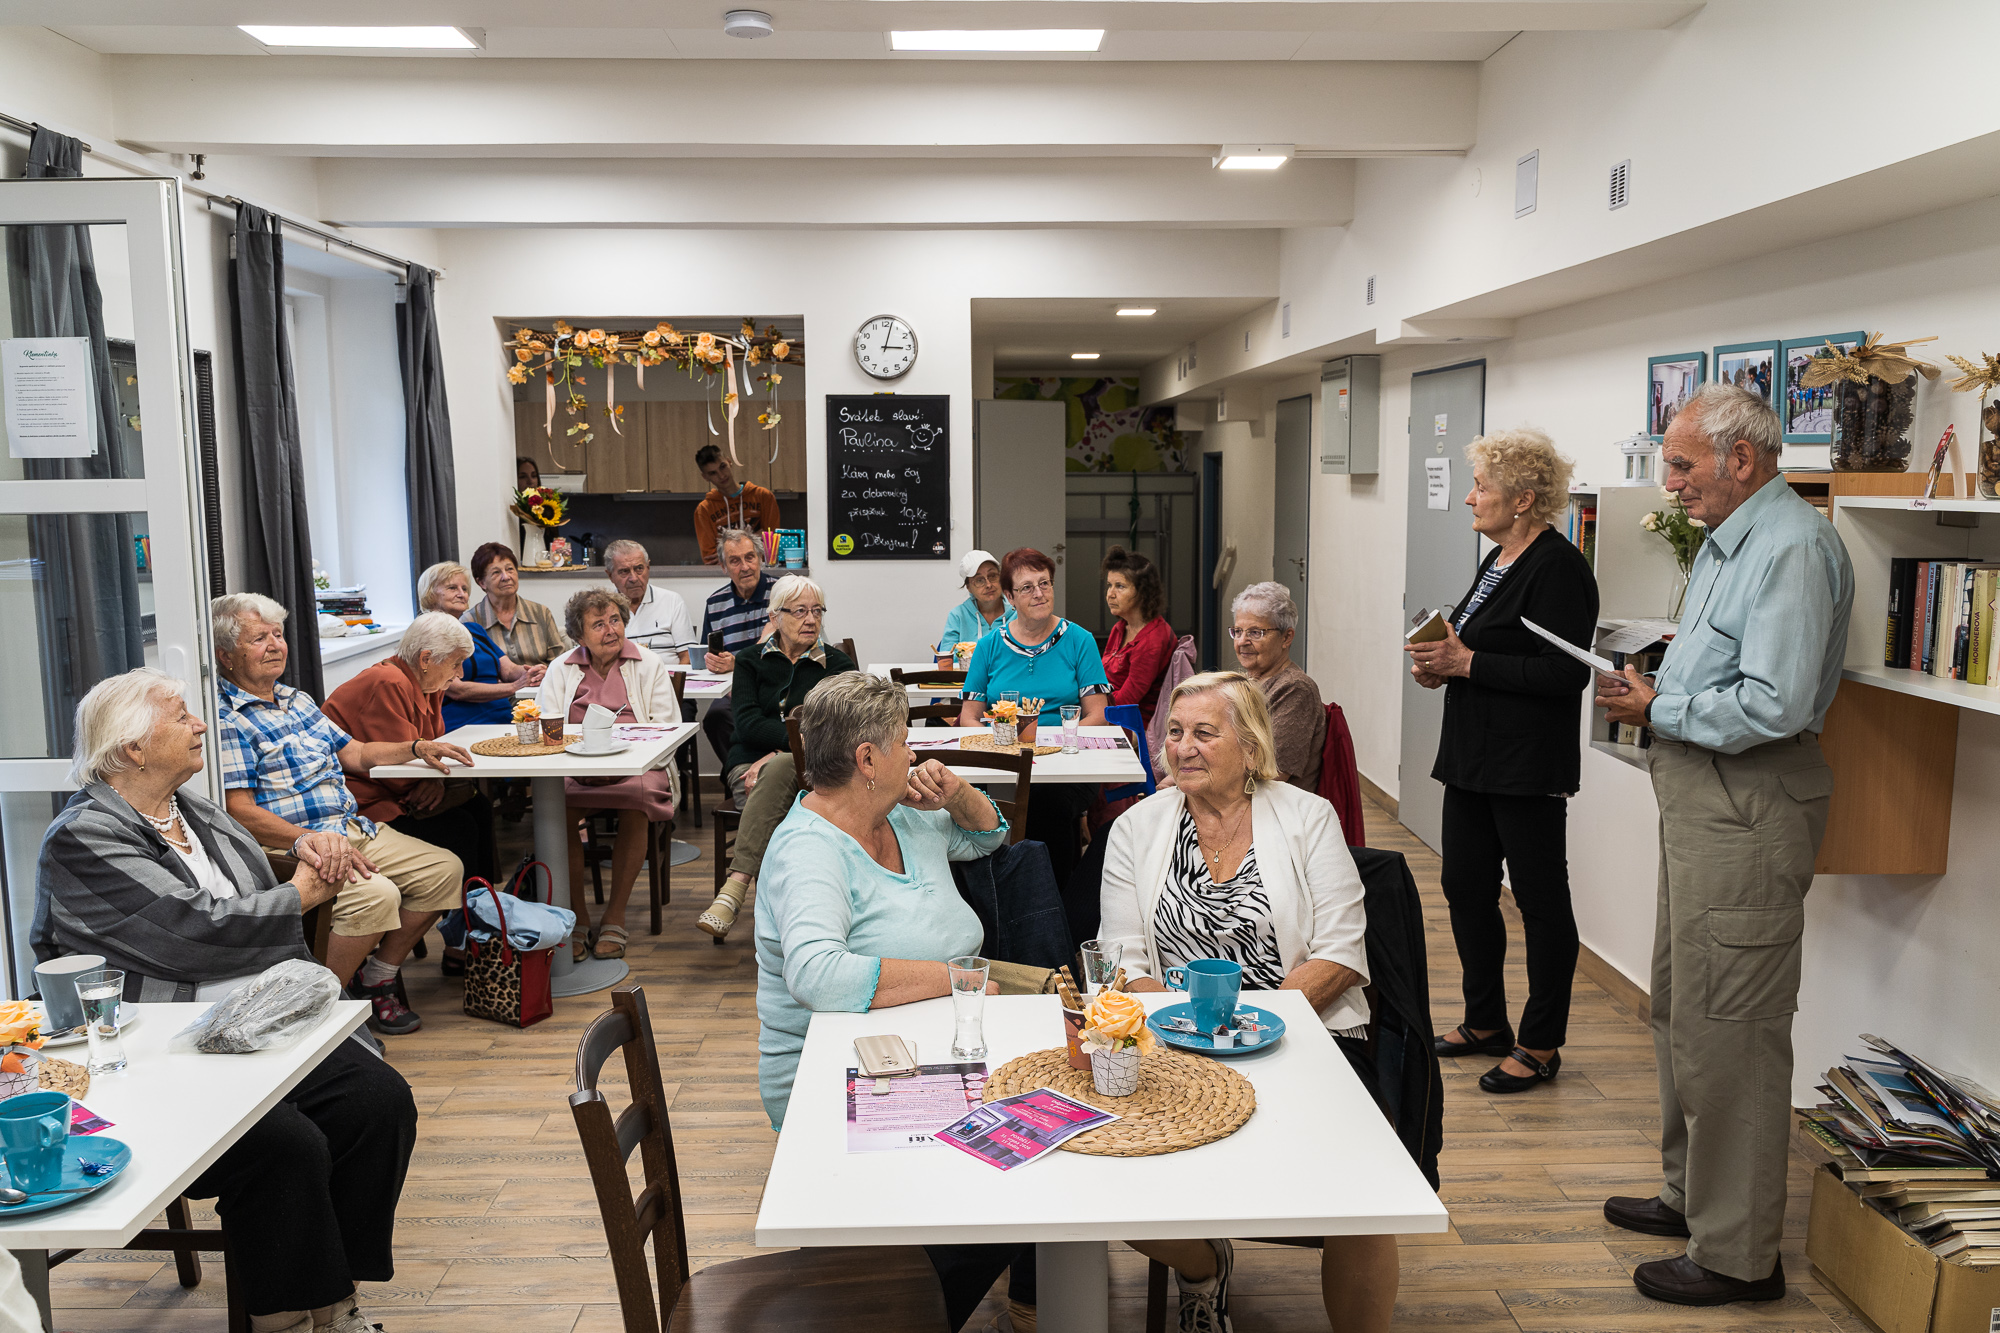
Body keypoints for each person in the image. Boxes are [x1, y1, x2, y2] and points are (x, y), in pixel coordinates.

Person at [36, 669, 417, 1333]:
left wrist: (307, 843)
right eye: (182, 716)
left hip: (254, 1025)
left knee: (377, 1102)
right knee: (285, 1146)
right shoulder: (81, 838)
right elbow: (193, 932)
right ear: (133, 749)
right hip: (152, 1054)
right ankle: (283, 1316)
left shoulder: (194, 809)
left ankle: (334, 1294)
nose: (201, 725)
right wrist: (301, 894)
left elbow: (246, 881)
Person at [1594, 383, 1851, 1306]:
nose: (1671, 484)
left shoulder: (1788, 547)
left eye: (1682, 465)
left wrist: (1660, 705)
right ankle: (1690, 1196)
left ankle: (1741, 1255)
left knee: (1731, 1029)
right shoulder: (1729, 541)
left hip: (1746, 806)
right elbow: (1727, 665)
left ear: (1741, 460)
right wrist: (1659, 681)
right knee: (1683, 1009)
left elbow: (1776, 702)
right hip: (1704, 797)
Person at [1098, 671, 1395, 1333]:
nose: (1183, 747)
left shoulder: (1307, 817)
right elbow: (1124, 962)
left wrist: (1253, 1028)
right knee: (1108, 1182)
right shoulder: (1137, 829)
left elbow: (1341, 954)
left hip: (1306, 1040)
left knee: (1365, 1198)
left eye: (1205, 732)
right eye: (1174, 732)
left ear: (1252, 749)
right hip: (1171, 1047)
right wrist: (1189, 1035)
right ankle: (1203, 1267)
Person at [752, 673, 1015, 1332]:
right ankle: (893, 1304)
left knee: (1032, 1139)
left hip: (930, 1044)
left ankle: (1005, 1285)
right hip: (834, 1078)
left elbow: (990, 836)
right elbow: (819, 976)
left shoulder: (901, 813)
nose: (914, 754)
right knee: (1020, 1164)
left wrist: (956, 792)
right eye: (904, 741)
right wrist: (959, 977)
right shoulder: (809, 849)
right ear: (868, 759)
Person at [1405, 427, 1598, 1097]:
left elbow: (1564, 674)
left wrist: (1469, 662)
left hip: (1526, 766)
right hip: (1472, 758)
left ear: (1522, 498)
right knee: (1464, 888)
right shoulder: (1499, 561)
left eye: (1480, 486)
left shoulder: (1559, 568)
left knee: (1542, 904)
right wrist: (1446, 666)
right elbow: (1477, 649)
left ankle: (1540, 1040)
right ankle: (1485, 1020)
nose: (1468, 498)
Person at [211, 593, 471, 1036]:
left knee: (444, 869)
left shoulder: (296, 700)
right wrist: (303, 840)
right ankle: (313, 1013)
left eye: (278, 634)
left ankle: (376, 978)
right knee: (377, 896)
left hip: (350, 827)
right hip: (293, 841)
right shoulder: (226, 717)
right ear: (226, 656)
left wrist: (415, 749)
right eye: (259, 638)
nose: (275, 644)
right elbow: (238, 809)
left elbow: (355, 753)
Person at [323, 614, 497, 982]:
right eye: (455, 664)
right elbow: (398, 768)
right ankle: (462, 939)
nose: (460, 675)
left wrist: (437, 781)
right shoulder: (387, 682)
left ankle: (472, 932)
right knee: (460, 827)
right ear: (426, 659)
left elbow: (424, 751)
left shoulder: (423, 685)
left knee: (477, 809)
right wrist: (436, 781)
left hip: (395, 793)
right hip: (367, 803)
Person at [957, 547, 1110, 928]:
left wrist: (1051, 740)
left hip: (1067, 766)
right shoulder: (990, 645)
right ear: (1008, 598)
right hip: (1005, 762)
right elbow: (968, 718)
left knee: (1047, 804)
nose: (1039, 593)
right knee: (960, 803)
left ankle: (1051, 916)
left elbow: (1098, 714)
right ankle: (983, 911)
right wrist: (1004, 741)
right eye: (1027, 588)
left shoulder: (1078, 640)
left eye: (1045, 584)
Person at [539, 588, 682, 961]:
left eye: (615, 620)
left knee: (637, 803)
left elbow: (667, 727)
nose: (610, 630)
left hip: (638, 765)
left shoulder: (648, 664)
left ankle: (616, 914)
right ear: (579, 636)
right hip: (574, 766)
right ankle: (580, 918)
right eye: (598, 624)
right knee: (557, 810)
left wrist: (623, 750)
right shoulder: (562, 668)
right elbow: (547, 727)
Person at [725, 574, 856, 805]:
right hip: (751, 760)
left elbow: (835, 729)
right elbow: (747, 724)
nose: (811, 620)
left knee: (821, 803)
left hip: (816, 763)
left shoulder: (838, 665)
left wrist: (779, 755)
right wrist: (795, 741)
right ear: (775, 618)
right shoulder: (749, 661)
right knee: (765, 798)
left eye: (817, 611)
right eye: (800, 611)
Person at [417, 561, 545, 729]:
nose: (462, 594)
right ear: (430, 594)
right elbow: (457, 690)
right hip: (464, 725)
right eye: (452, 588)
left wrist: (534, 672)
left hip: (504, 718)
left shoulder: (474, 630)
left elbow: (509, 670)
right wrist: (514, 686)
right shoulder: (427, 634)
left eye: (464, 589)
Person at [1229, 582, 1325, 791]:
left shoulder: (1296, 689)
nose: (1241, 641)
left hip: (1271, 809)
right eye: (1237, 631)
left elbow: (1272, 774)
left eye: (1255, 632)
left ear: (1286, 637)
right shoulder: (1248, 681)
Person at [699, 526, 780, 764]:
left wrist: (739, 664)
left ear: (760, 559)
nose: (745, 567)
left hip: (776, 682)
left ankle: (768, 767)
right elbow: (710, 653)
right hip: (735, 688)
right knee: (715, 717)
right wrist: (713, 662)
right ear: (724, 568)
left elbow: (787, 648)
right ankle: (738, 773)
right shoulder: (715, 603)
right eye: (735, 561)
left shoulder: (781, 593)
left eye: (749, 557)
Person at [1100, 546, 1176, 725]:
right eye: (1109, 586)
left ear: (1143, 592)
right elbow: (1102, 678)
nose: (1110, 594)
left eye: (1120, 586)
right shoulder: (1120, 628)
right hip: (1109, 711)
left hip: (1134, 723)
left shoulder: (1152, 640)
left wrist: (1089, 704)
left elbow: (1126, 701)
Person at [467, 540, 571, 667]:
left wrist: (545, 674)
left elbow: (560, 663)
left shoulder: (541, 613)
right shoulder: (470, 622)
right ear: (482, 583)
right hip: (496, 686)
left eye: (510, 569)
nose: (506, 577)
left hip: (542, 684)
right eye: (496, 572)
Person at [605, 538, 696, 664]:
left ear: (648, 568)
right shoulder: (603, 609)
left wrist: (673, 683)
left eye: (639, 568)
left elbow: (688, 655)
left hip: (668, 680)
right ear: (610, 576)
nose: (634, 578)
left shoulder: (672, 601)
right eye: (624, 571)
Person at [694, 444, 781, 565]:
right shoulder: (704, 510)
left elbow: (772, 542)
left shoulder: (763, 496)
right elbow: (710, 558)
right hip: (725, 576)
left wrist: (726, 552)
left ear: (729, 462)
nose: (721, 475)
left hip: (761, 570)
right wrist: (756, 537)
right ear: (705, 477)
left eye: (722, 466)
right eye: (713, 473)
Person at [936, 548, 1014, 653]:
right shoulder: (958, 616)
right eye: (979, 580)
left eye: (992, 576)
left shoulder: (1017, 611)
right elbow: (947, 657)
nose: (988, 585)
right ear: (968, 587)